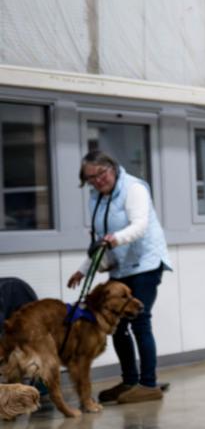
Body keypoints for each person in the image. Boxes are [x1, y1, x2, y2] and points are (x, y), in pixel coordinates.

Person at [69, 151, 170, 403]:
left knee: (140, 320)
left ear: (112, 168)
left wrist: (116, 239)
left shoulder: (133, 188)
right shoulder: (96, 198)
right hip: (121, 266)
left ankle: (148, 385)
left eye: (100, 174)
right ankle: (129, 381)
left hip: (146, 263)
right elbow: (98, 240)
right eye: (90, 178)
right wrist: (83, 268)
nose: (97, 181)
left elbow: (139, 225)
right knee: (117, 326)